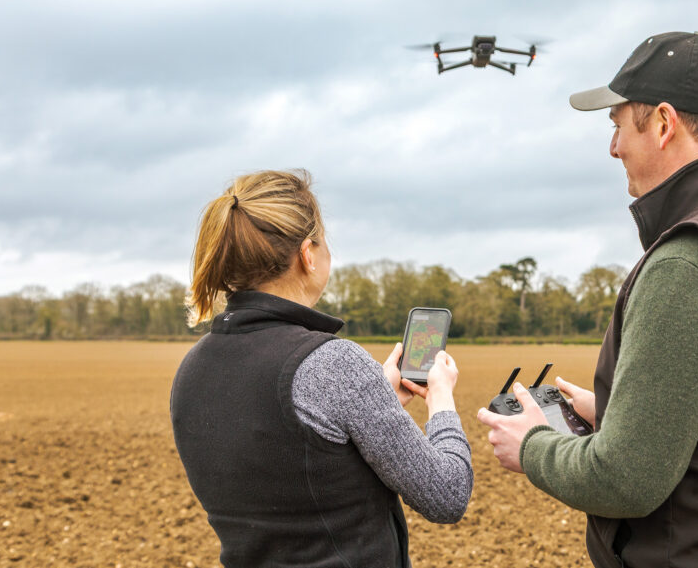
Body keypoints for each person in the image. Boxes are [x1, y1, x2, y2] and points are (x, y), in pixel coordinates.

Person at [477, 32, 698, 567]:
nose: (613, 147)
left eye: (618, 126)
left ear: (664, 124)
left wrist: (531, 446)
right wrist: (627, 414)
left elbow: (625, 480)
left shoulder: (689, 262)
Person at [170, 170, 472, 568]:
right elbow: (446, 495)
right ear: (308, 254)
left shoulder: (192, 369)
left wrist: (374, 397)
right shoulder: (334, 364)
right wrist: (442, 400)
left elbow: (293, 448)